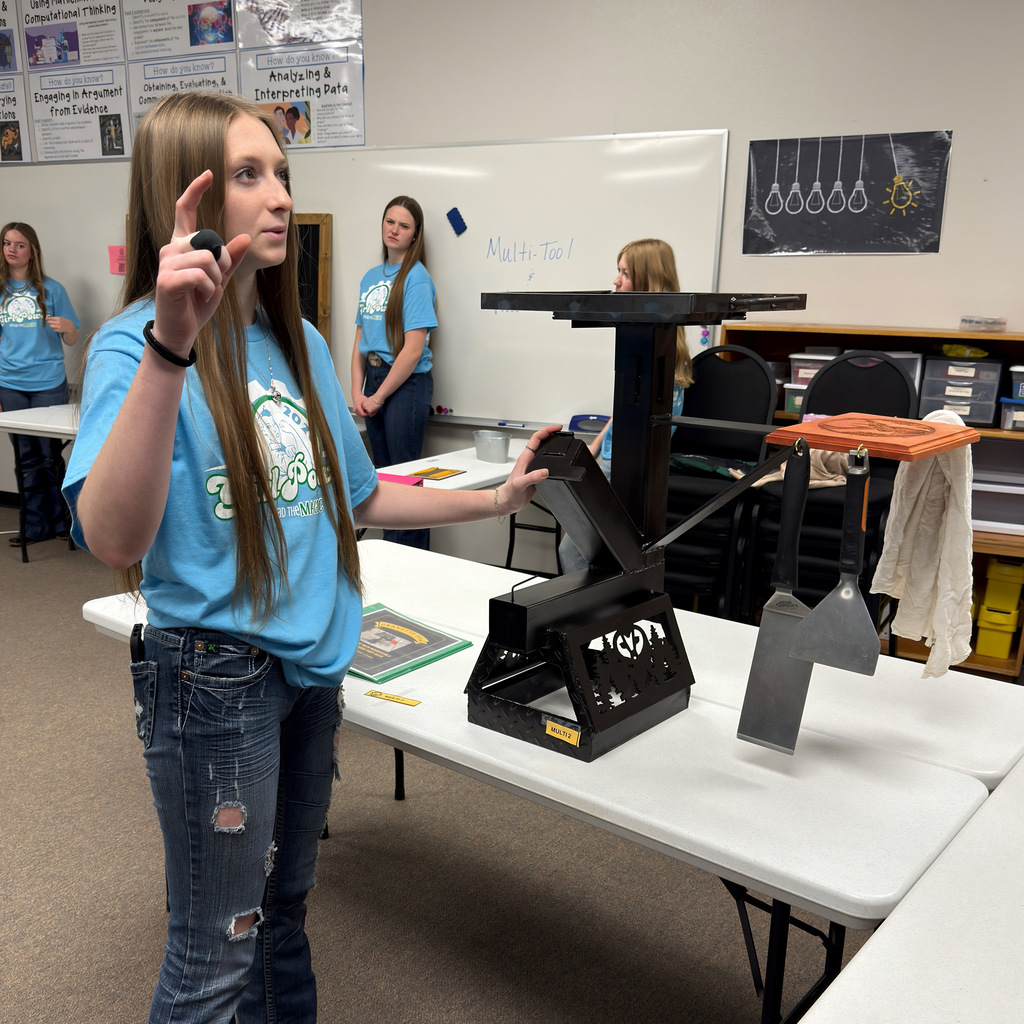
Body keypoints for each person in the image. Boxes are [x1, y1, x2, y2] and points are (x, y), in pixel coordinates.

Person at [61, 90, 556, 1024]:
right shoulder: (134, 346)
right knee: (215, 954)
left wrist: (495, 499)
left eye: (282, 174)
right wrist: (174, 344)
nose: (280, 196)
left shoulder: (302, 345)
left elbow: (359, 495)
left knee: (281, 917)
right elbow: (113, 540)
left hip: (309, 668)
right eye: (249, 175)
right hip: (214, 680)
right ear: (189, 197)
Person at [558, 237, 692, 573]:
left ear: (648, 281)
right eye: (617, 272)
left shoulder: (661, 351)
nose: (616, 281)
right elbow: (624, 408)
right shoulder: (645, 340)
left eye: (625, 273)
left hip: (626, 469)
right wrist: (596, 443)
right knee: (580, 549)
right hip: (611, 459)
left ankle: (589, 616)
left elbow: (655, 427)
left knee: (576, 551)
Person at [351, 195, 436, 549]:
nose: (394, 230)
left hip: (404, 385)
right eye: (390, 222)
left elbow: (413, 349)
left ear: (415, 235)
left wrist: (378, 395)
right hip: (373, 382)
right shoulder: (371, 277)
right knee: (381, 481)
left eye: (404, 226)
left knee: (406, 481)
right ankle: (390, 556)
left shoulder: (416, 279)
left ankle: (413, 560)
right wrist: (357, 393)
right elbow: (359, 341)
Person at [0, 221, 80, 545]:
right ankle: (33, 527)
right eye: (7, 243)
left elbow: (73, 339)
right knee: (25, 456)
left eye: (19, 244)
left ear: (33, 251)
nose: (11, 250)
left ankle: (62, 522)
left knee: (50, 455)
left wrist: (67, 326)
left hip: (48, 382)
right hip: (10, 382)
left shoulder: (52, 289)